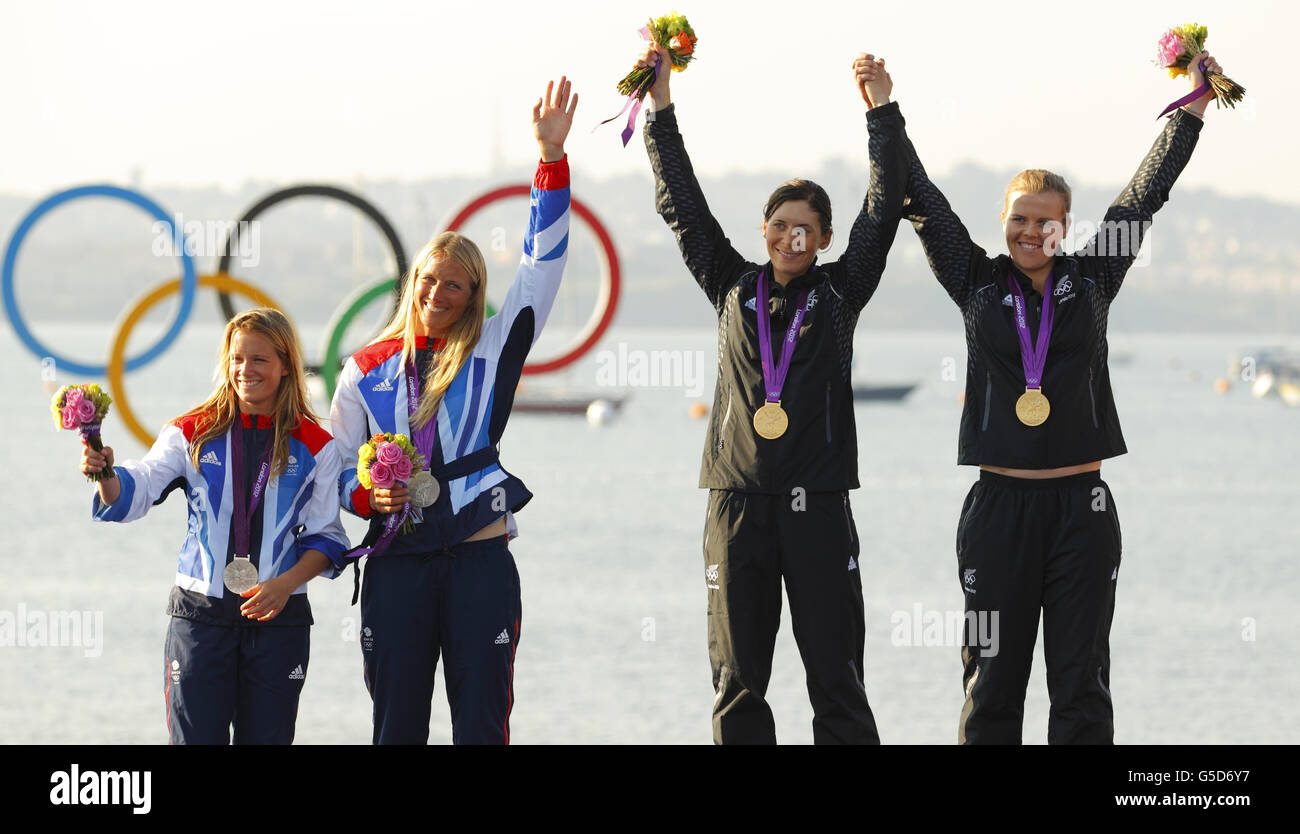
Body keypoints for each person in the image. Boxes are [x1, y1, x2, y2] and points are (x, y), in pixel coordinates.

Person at [856, 52, 1224, 743]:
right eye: (1020, 219)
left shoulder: (1092, 278)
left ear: (1066, 226)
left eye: (1046, 222)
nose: (1032, 233)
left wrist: (1196, 103)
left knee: (1081, 683)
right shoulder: (973, 280)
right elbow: (920, 197)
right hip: (998, 511)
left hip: (1082, 511)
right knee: (991, 682)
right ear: (1004, 220)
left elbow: (1145, 194)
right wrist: (881, 108)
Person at [639, 42, 906, 744]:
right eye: (781, 224)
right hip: (736, 506)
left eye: (806, 228)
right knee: (737, 682)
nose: (792, 236)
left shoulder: (841, 294)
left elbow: (882, 211)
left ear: (821, 239)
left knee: (837, 678)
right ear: (765, 230)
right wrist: (662, 105)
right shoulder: (730, 286)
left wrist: (881, 110)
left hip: (817, 508)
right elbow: (682, 205)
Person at [329, 77, 577, 745]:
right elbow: (333, 474)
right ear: (415, 283)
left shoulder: (495, 345)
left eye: (456, 285)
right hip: (398, 561)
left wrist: (550, 160)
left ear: (473, 296)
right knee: (396, 729)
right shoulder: (365, 368)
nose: (439, 293)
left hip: (477, 559)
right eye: (429, 280)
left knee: (481, 726)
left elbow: (542, 263)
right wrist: (367, 497)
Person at [81, 307, 350, 744]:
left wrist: (284, 585)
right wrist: (105, 474)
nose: (246, 370)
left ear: (285, 366)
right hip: (201, 619)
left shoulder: (318, 446)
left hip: (279, 619)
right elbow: (139, 489)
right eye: (237, 358)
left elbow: (328, 538)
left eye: (260, 360)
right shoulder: (190, 432)